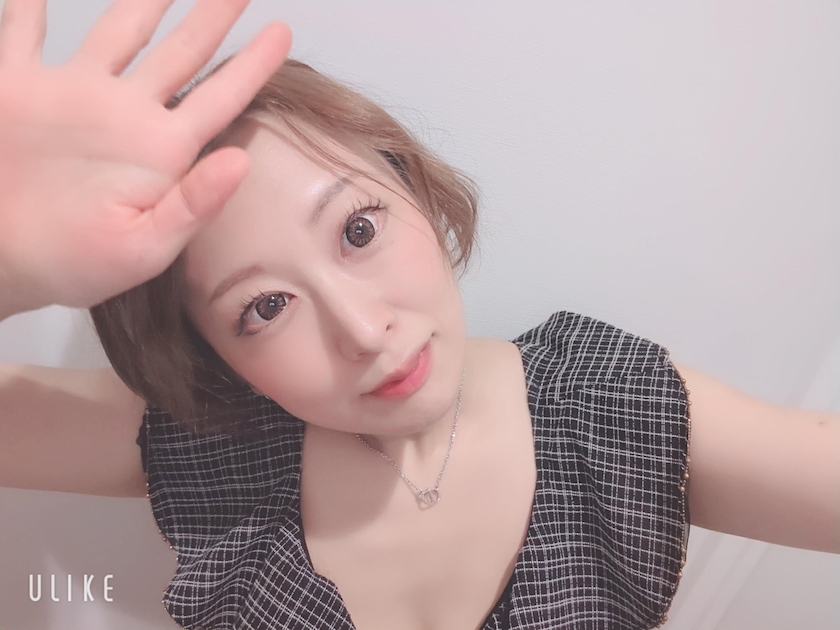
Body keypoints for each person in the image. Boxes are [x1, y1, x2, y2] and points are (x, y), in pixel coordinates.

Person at [0, 1, 837, 629]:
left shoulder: (613, 411)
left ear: (416, 191)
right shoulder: (213, 446)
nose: (364, 331)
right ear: (214, 354)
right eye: (266, 307)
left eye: (358, 231)